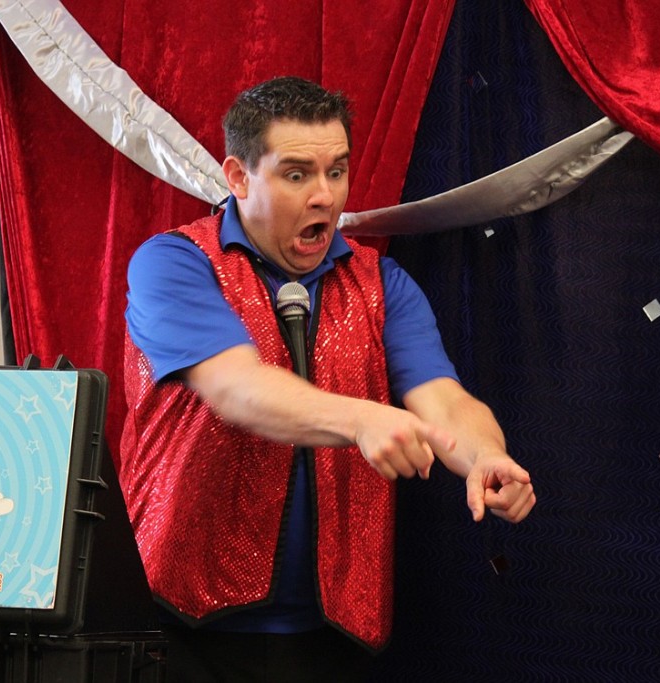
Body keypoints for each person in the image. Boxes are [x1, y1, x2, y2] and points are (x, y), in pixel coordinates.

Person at [119, 76, 536, 682]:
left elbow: (443, 398)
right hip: (178, 628)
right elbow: (237, 387)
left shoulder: (382, 284)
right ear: (238, 177)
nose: (325, 197)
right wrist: (363, 418)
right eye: (296, 175)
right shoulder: (173, 263)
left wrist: (485, 457)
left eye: (336, 171)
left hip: (330, 636)